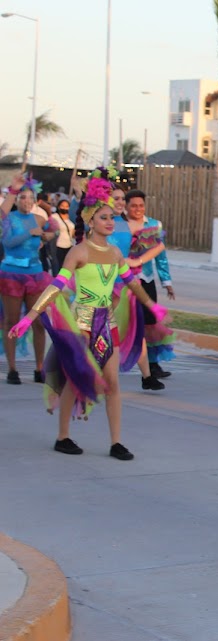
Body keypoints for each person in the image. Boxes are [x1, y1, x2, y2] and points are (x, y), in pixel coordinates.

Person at [7, 170, 168, 460]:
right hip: (81, 323)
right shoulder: (78, 252)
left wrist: (151, 306)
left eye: (111, 217)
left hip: (107, 324)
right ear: (90, 220)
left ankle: (116, 442)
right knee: (74, 380)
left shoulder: (115, 255)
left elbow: (131, 282)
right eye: (104, 217)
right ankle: (63, 436)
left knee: (113, 383)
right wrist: (28, 318)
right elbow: (56, 287)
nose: (110, 222)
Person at [105, 187, 168, 390]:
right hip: (103, 284)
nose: (120, 202)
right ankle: (92, 370)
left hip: (127, 285)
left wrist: (137, 260)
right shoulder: (103, 223)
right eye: (116, 198)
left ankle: (147, 376)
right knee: (103, 331)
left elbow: (158, 246)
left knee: (135, 330)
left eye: (123, 199)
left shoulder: (128, 226)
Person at [0, 173, 55, 384]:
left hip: (35, 274)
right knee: (12, 322)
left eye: (30, 198)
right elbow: (9, 243)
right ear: (17, 200)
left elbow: (52, 230)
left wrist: (49, 235)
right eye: (22, 197)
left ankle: (39, 368)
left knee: (39, 322)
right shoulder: (9, 218)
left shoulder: (40, 219)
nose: (27, 201)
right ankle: (12, 369)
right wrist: (30, 233)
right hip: (11, 274)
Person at [124, 189, 176, 378]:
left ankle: (153, 365)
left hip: (145, 279)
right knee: (126, 323)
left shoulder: (154, 225)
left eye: (141, 205)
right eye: (133, 205)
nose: (138, 209)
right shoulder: (119, 225)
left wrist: (166, 281)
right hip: (125, 281)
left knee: (150, 323)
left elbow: (160, 255)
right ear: (126, 206)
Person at [49, 198, 76, 272]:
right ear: (58, 206)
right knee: (58, 267)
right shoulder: (54, 217)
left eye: (67, 206)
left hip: (69, 245)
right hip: (58, 246)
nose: (64, 208)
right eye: (62, 206)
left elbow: (73, 233)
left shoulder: (71, 218)